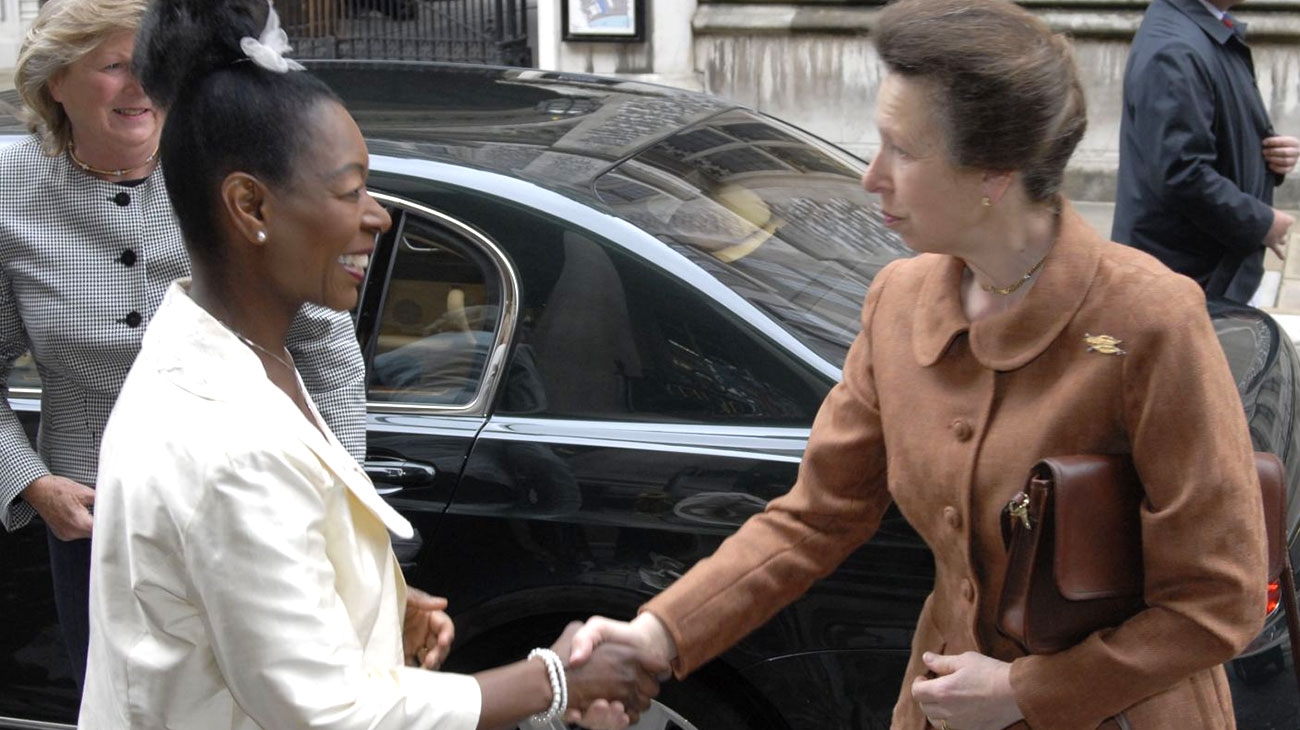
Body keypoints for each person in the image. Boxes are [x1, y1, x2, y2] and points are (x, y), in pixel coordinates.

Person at [570, 1, 1269, 728]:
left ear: (994, 174)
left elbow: (1220, 600)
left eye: (901, 150)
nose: (871, 176)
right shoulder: (897, 302)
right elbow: (814, 519)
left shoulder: (1150, 318)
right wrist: (656, 635)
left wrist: (1026, 693)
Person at [77, 0, 662, 727]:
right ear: (250, 205)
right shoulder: (224, 438)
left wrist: (373, 601)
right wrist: (554, 679)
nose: (378, 215)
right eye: (350, 190)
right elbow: (332, 715)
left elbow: (246, 582)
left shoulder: (242, 357)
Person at [0, 0, 368, 690]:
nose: (141, 87)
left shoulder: (229, 172)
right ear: (56, 82)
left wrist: (337, 502)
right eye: (116, 68)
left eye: (151, 68)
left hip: (255, 511)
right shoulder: (7, 195)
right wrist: (31, 482)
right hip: (97, 529)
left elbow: (328, 350)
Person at [1111, 0, 1299, 304]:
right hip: (1187, 280)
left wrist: (1270, 155)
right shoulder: (1175, 49)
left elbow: (1210, 131)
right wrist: (1261, 223)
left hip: (1203, 276)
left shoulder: (1202, 31)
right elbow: (1182, 173)